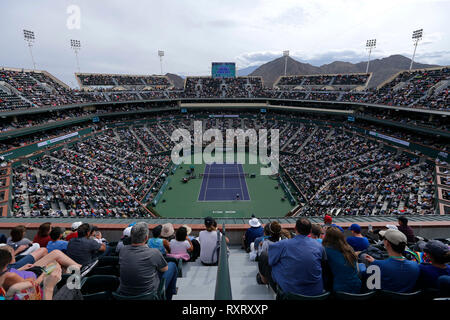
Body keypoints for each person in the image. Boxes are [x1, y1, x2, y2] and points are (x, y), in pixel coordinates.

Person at [257, 218, 326, 296]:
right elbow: (323, 264)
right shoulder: (319, 246)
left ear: (295, 229)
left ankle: (263, 280)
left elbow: (271, 261)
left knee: (264, 256)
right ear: (310, 231)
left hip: (290, 292)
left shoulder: (283, 244)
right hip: (316, 292)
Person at [118, 222, 178, 300]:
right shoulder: (154, 252)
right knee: (172, 265)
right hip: (149, 295)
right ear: (146, 238)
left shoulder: (123, 250)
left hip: (124, 294)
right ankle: (170, 294)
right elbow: (164, 269)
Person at [322, 226, 362, 293]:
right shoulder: (349, 248)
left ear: (327, 237)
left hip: (340, 291)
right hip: (357, 287)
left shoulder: (326, 250)